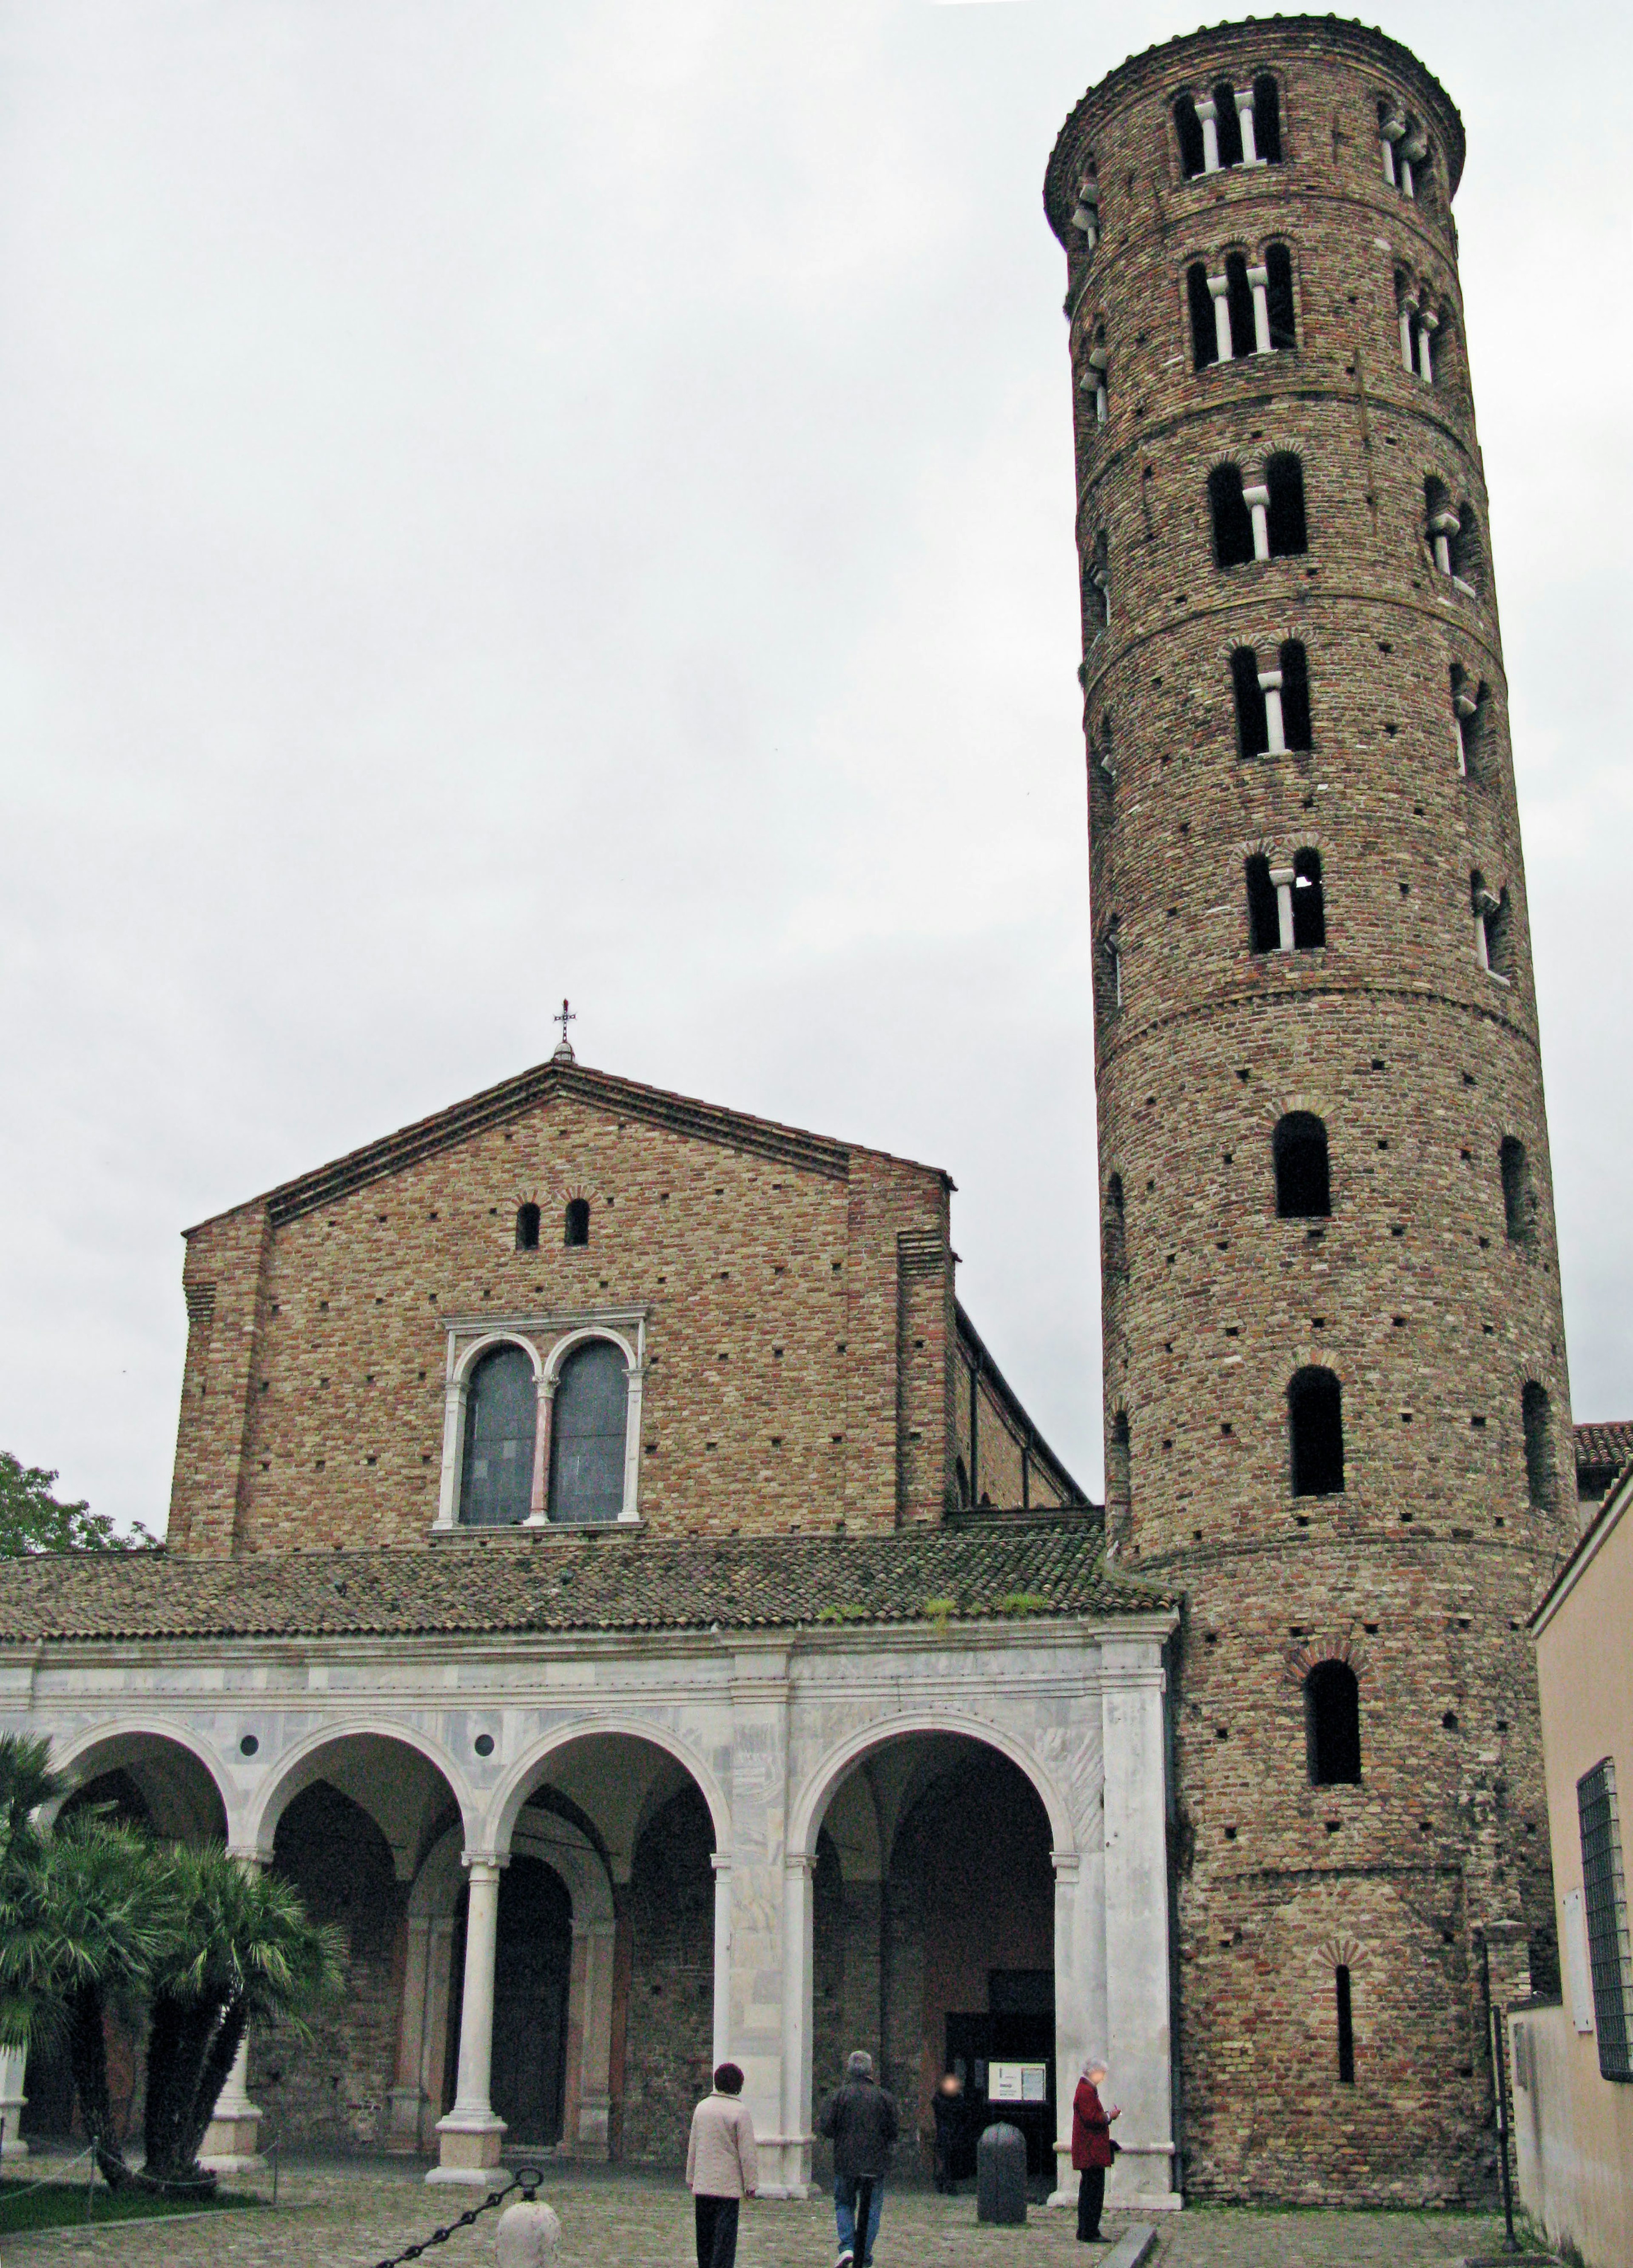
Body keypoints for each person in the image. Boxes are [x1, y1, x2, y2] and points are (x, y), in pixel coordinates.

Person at [819, 2048, 898, 2268]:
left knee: (844, 2204)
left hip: (845, 2162)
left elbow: (826, 2128)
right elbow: (893, 2131)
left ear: (849, 2069)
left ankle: (847, 2247)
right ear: (870, 2070)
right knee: (872, 2208)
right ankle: (863, 2253)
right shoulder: (884, 2097)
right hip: (875, 2163)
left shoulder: (838, 2096)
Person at [686, 2061, 758, 2268]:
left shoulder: (702, 2108)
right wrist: (751, 2184)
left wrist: (691, 2177)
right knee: (725, 2241)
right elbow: (747, 2153)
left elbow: (694, 2146)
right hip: (728, 2188)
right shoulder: (740, 2112)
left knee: (705, 2238)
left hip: (705, 2184)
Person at [1070, 2057, 1120, 2243]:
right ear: (1093, 2072)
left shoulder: (1088, 2090)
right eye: (1102, 2073)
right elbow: (1092, 2119)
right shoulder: (1085, 2091)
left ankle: (1088, 2229)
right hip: (1090, 2152)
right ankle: (1088, 2231)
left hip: (1092, 2151)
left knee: (1091, 2191)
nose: (1103, 2077)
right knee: (1093, 2193)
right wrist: (1110, 2116)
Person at [928, 2069, 966, 2194]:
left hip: (954, 2133)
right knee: (946, 2159)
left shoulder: (956, 2100)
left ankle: (946, 2181)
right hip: (945, 2133)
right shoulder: (941, 2100)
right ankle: (946, 2182)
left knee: (951, 2159)